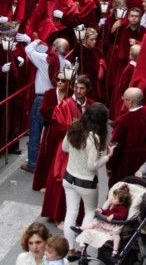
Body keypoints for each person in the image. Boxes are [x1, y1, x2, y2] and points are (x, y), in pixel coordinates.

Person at [62, 102, 115, 261]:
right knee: (90, 212)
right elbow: (92, 166)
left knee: (70, 213)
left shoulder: (74, 127)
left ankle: (70, 250)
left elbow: (64, 148)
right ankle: (82, 249)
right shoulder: (94, 137)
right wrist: (107, 156)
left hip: (69, 177)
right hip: (86, 183)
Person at [41, 75, 94, 224]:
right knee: (63, 180)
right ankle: (58, 215)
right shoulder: (64, 105)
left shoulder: (91, 105)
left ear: (87, 90)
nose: (78, 91)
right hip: (66, 149)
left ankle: (78, 215)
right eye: (76, 87)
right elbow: (58, 126)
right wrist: (74, 129)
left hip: (85, 150)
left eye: (82, 88)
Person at [18, 36, 70, 173]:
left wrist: (35, 41)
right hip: (59, 99)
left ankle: (33, 163)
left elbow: (28, 50)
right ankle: (49, 161)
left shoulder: (44, 59)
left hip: (42, 98)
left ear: (53, 48)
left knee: (36, 130)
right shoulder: (68, 64)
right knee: (51, 132)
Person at [107, 87, 146, 186]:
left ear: (130, 102)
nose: (123, 101)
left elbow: (115, 144)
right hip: (145, 160)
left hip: (126, 163)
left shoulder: (124, 120)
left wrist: (110, 165)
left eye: (124, 99)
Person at [33, 70, 69, 191]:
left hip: (65, 132)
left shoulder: (71, 94)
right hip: (50, 129)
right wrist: (59, 113)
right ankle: (43, 183)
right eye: (57, 79)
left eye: (63, 80)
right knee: (47, 155)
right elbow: (43, 111)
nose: (59, 82)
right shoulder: (49, 93)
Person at [75, 184, 132, 256]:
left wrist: (114, 215)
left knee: (116, 235)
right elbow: (107, 212)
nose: (111, 199)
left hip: (114, 226)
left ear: (121, 202)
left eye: (114, 198)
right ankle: (81, 228)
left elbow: (123, 215)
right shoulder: (113, 205)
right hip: (106, 223)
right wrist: (101, 211)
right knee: (95, 222)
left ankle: (115, 250)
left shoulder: (123, 208)